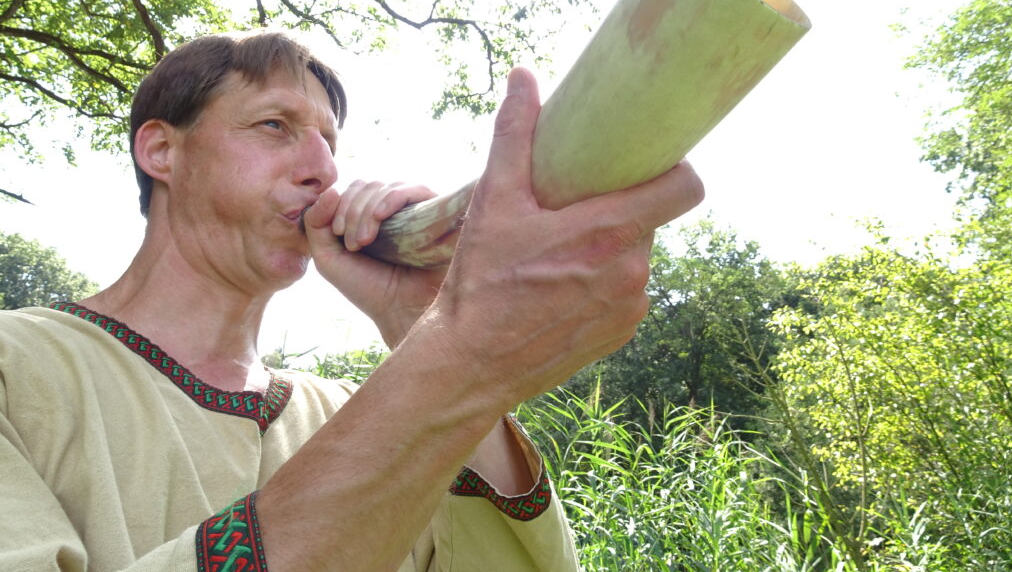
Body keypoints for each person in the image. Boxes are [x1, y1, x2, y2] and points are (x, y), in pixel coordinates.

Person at [0, 29, 705, 571]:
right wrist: (462, 352)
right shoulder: (17, 365)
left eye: (330, 142)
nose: (323, 169)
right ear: (161, 151)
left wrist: (422, 325)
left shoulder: (358, 410)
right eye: (274, 126)